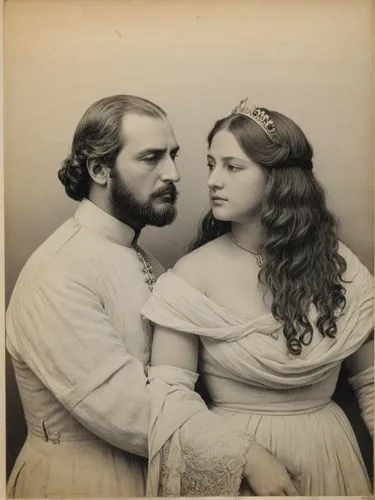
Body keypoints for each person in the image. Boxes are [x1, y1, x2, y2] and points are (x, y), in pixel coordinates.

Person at [6, 94, 297, 498]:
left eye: (174, 156)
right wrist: (248, 455)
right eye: (151, 158)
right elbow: (129, 410)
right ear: (99, 169)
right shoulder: (57, 272)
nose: (174, 173)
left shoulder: (142, 260)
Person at [142, 98, 374, 496]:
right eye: (212, 165)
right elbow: (170, 400)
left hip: (330, 457)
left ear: (278, 180)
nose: (214, 180)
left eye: (232, 167)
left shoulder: (341, 268)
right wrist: (246, 459)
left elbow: (371, 382)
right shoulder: (192, 275)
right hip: (234, 464)